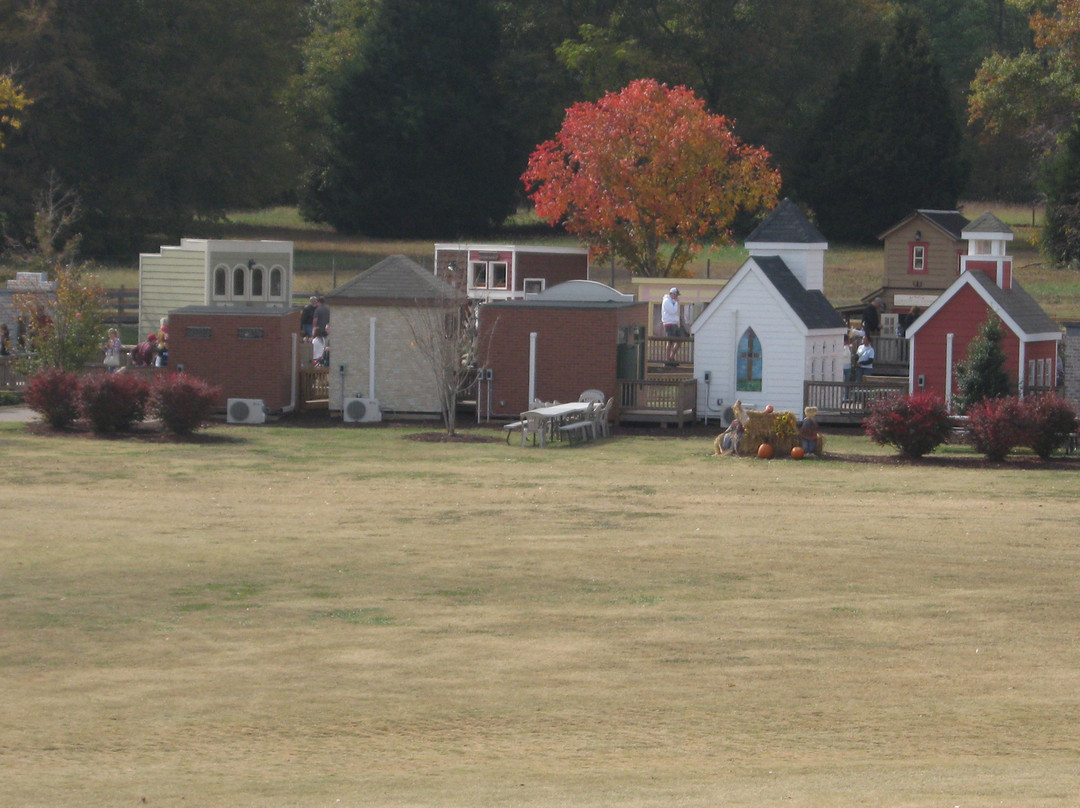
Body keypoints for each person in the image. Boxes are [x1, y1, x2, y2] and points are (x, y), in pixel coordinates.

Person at [661, 287, 682, 364]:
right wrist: (676, 303)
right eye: (676, 295)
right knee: (670, 341)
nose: (677, 297)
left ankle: (672, 356)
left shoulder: (672, 301)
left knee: (680, 340)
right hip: (668, 323)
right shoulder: (666, 301)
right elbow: (672, 311)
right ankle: (667, 359)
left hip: (674, 323)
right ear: (672, 294)